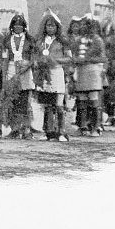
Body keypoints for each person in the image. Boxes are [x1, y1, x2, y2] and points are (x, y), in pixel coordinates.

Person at [34, 11, 72, 141]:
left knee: (58, 103)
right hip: (44, 74)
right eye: (48, 25)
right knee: (47, 104)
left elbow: (69, 59)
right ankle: (48, 132)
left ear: (57, 27)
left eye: (53, 26)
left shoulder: (62, 41)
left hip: (56, 72)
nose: (50, 28)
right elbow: (36, 56)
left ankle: (61, 131)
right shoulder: (40, 41)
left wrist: (55, 60)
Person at [1, 15, 37, 139]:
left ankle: (26, 129)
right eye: (15, 24)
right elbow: (5, 59)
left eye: (20, 25)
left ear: (24, 27)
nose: (17, 27)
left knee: (25, 100)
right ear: (12, 26)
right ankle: (15, 129)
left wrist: (24, 68)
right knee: (13, 101)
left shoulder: (30, 40)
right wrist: (5, 75)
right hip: (11, 69)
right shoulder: (6, 40)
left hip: (25, 71)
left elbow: (33, 59)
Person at [72, 14, 107, 137]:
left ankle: (96, 127)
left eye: (84, 25)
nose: (81, 27)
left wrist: (87, 59)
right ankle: (83, 126)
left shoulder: (97, 40)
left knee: (93, 100)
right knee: (81, 100)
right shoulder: (77, 40)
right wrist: (76, 60)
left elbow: (102, 58)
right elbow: (74, 55)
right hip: (81, 71)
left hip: (93, 71)